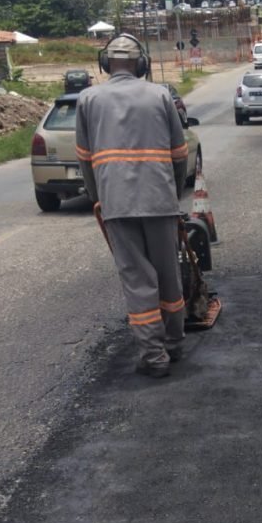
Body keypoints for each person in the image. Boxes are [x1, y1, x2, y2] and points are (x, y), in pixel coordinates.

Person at [76, 33, 189, 378]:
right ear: (141, 64)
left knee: (138, 280)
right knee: (168, 275)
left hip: (117, 205)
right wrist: (174, 192)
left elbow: (84, 159)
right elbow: (180, 154)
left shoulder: (88, 99)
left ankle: (153, 357)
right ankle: (173, 342)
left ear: (106, 63)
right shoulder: (160, 95)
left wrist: (98, 198)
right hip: (159, 200)